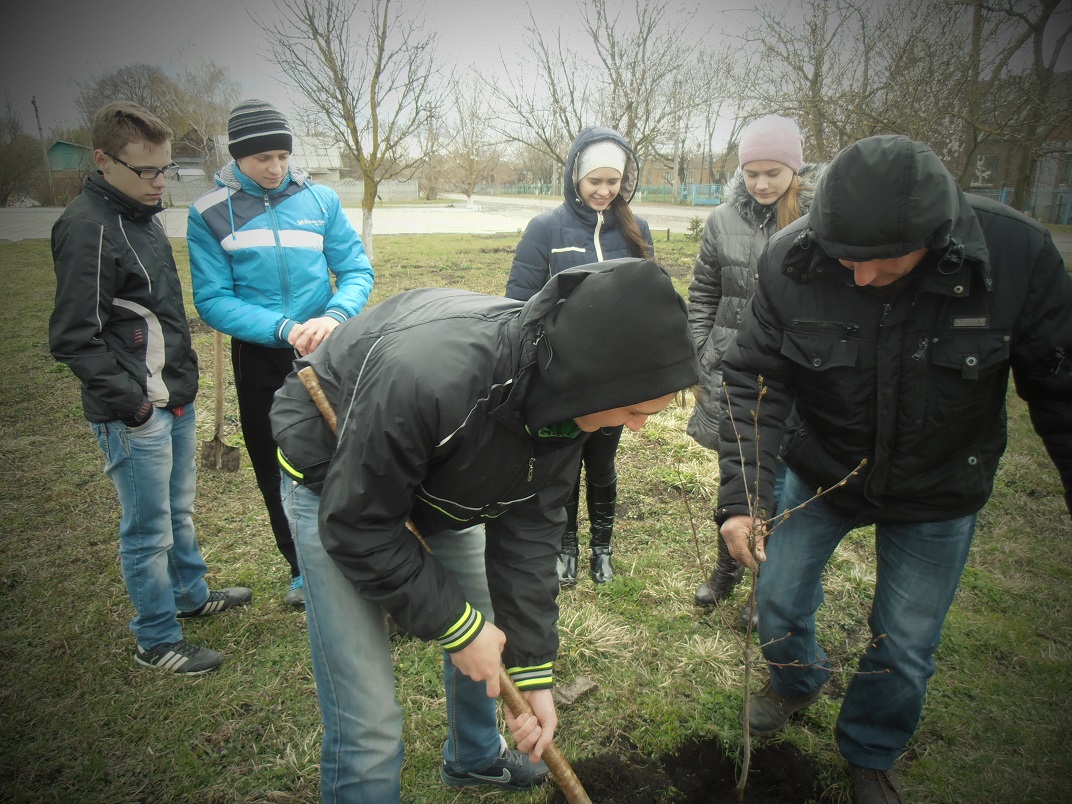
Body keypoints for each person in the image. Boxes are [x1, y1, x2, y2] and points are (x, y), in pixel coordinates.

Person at [715, 134, 1072, 804]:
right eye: (844, 258)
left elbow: (1062, 389)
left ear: (937, 240)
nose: (857, 277)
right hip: (823, 469)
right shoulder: (793, 260)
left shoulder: (1015, 258)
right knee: (778, 598)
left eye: (880, 261)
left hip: (940, 486)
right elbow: (754, 384)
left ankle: (872, 750)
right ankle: (796, 680)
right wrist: (743, 499)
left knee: (905, 642)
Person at [270, 259, 699, 802]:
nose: (637, 428)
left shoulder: (569, 405)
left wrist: (535, 674)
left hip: (448, 474)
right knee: (370, 719)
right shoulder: (430, 376)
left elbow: (533, 528)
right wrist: (455, 626)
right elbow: (360, 524)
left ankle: (474, 758)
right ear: (589, 381)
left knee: (487, 629)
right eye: (635, 411)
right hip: (336, 478)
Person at [49, 101, 252, 676]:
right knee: (147, 529)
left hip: (175, 398)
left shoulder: (142, 215)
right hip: (137, 412)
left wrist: (179, 388)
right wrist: (135, 407)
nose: (160, 182)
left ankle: (191, 595)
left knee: (178, 512)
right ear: (102, 160)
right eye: (146, 171)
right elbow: (73, 337)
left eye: (165, 169)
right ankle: (156, 638)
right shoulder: (87, 227)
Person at [187, 99, 374, 608]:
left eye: (282, 156)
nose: (274, 168)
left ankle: (360, 556)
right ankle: (301, 569)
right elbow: (212, 299)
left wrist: (333, 318)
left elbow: (356, 270)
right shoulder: (207, 213)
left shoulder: (320, 200)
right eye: (261, 158)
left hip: (330, 349)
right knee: (275, 462)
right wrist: (283, 327)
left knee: (348, 449)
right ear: (236, 157)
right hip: (262, 356)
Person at [506, 126, 653, 585]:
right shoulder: (546, 229)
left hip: (615, 375)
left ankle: (602, 547)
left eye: (613, 182)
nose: (604, 191)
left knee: (603, 463)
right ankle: (565, 545)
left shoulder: (636, 229)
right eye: (595, 182)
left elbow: (648, 297)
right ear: (574, 177)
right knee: (564, 462)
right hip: (563, 373)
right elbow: (519, 301)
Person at [687, 114, 822, 610]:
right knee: (737, 475)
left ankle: (768, 586)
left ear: (794, 169)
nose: (762, 183)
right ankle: (726, 568)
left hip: (794, 377)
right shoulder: (722, 220)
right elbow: (703, 293)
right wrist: (705, 349)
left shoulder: (819, 221)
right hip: (734, 373)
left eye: (773, 172)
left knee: (782, 483)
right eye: (751, 173)